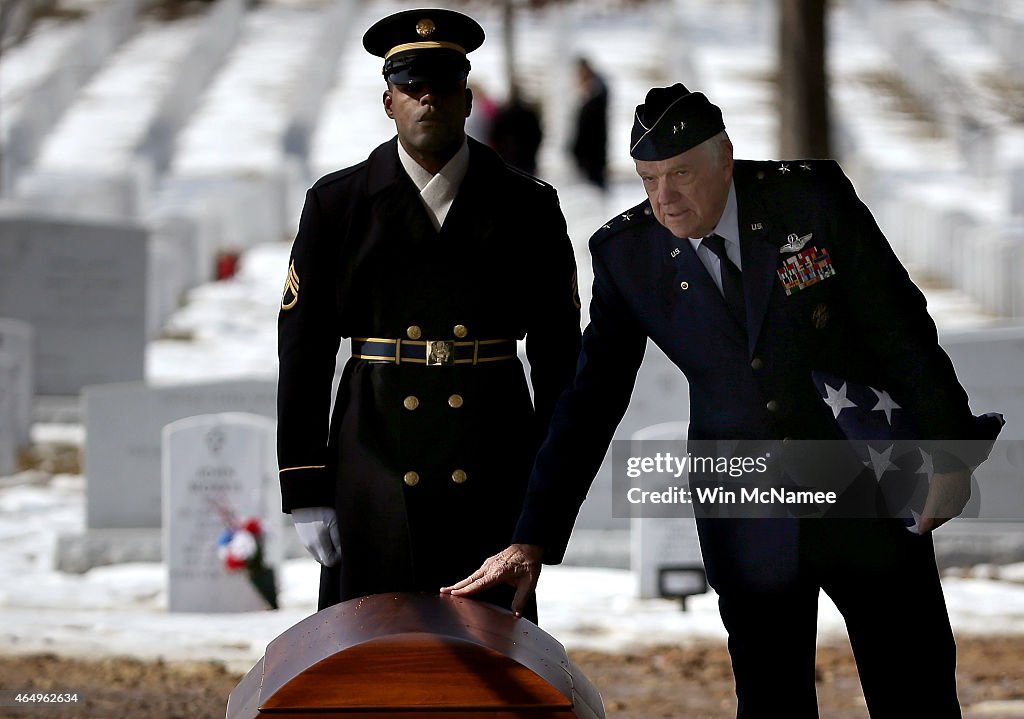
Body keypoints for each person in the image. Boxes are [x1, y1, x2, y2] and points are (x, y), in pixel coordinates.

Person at [445, 83, 1003, 716]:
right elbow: (588, 399)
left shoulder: (807, 202)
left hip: (865, 481)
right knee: (770, 701)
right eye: (649, 179)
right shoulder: (629, 255)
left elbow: (900, 326)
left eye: (681, 174)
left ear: (725, 158)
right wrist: (532, 537)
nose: (664, 198)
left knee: (915, 686)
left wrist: (950, 452)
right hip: (745, 505)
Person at [276, 8, 581, 622]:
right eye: (412, 88)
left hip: (491, 457)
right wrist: (306, 487)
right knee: (370, 653)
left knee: (492, 657)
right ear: (387, 102)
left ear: (467, 100)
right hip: (374, 458)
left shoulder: (528, 205)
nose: (428, 101)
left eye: (442, 87)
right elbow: (303, 350)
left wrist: (547, 503)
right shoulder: (337, 204)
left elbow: (558, 359)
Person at [569, 57, 608, 190]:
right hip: (590, 150)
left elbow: (589, 126)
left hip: (592, 149)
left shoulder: (596, 93)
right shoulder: (594, 92)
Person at [490, 85, 543, 176]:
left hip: (509, 156)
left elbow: (495, 135)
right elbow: (537, 135)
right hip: (526, 157)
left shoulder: (504, 114)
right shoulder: (529, 114)